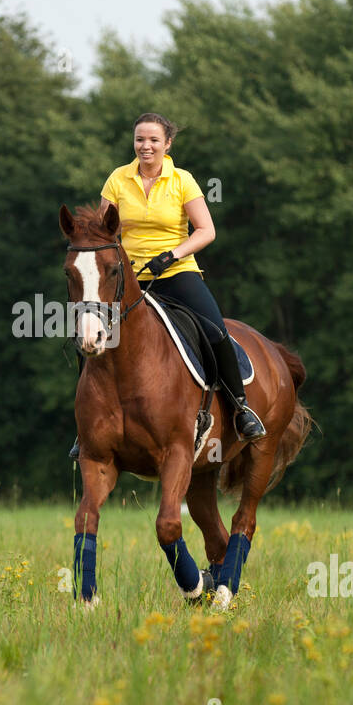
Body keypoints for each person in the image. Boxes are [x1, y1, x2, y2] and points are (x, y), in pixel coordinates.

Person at [69, 112, 266, 459]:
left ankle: (240, 408)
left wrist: (171, 256)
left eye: (153, 140)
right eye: (140, 140)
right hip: (126, 278)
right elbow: (103, 233)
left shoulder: (182, 180)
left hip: (175, 272)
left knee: (215, 330)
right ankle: (85, 426)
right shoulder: (117, 179)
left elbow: (206, 230)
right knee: (89, 332)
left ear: (167, 144)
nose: (146, 146)